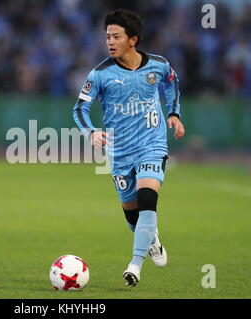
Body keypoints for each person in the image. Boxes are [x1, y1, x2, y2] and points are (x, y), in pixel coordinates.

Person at [72, 9, 185, 287]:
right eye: (107, 36)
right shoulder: (100, 74)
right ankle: (151, 238)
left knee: (148, 199)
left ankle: (134, 265)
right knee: (132, 213)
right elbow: (79, 108)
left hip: (152, 144)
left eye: (116, 36)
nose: (109, 41)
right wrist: (91, 132)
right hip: (119, 151)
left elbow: (172, 83)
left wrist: (174, 113)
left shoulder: (157, 65)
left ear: (132, 39)